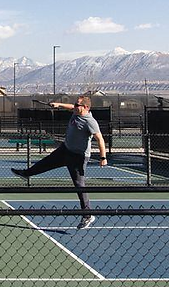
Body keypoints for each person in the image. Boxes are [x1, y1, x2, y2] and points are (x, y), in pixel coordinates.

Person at [11, 95, 107, 229]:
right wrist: (58, 104)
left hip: (78, 157)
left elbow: (100, 139)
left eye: (77, 105)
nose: (74, 106)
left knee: (79, 185)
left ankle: (87, 215)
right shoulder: (75, 112)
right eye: (74, 104)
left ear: (85, 107)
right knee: (46, 162)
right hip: (65, 150)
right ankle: (26, 173)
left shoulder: (90, 121)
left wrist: (103, 158)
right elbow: (70, 107)